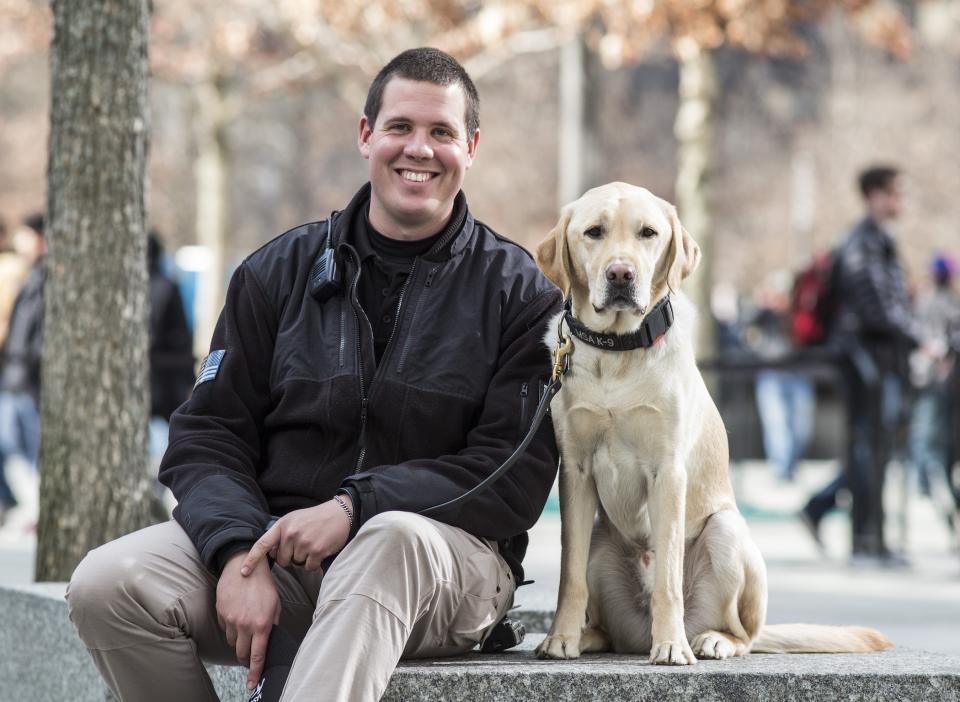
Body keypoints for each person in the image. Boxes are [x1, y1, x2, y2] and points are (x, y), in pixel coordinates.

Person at [66, 48, 562, 702]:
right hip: (281, 552)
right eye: (400, 128)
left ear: (470, 147)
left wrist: (355, 506)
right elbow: (207, 434)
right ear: (366, 136)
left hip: (446, 573)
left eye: (441, 132)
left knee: (390, 537)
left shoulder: (520, 294)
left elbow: (513, 475)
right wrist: (234, 554)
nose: (420, 148)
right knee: (108, 582)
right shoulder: (278, 272)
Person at [799, 166, 919, 565]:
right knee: (869, 448)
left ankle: (841, 519)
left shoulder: (876, 241)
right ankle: (867, 539)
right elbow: (877, 308)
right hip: (862, 359)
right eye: (894, 193)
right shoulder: (861, 243)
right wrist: (919, 336)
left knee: (874, 448)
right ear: (874, 195)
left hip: (875, 358)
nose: (900, 201)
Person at [908, 253, 960, 536]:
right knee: (928, 441)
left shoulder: (936, 302)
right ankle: (929, 490)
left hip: (938, 384)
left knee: (931, 442)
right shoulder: (935, 302)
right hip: (932, 382)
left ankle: (932, 491)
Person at [0, 213, 45, 530]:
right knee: (14, 445)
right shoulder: (30, 274)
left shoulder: (30, 274)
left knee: (25, 447)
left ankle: (32, 507)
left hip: (26, 377)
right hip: (17, 374)